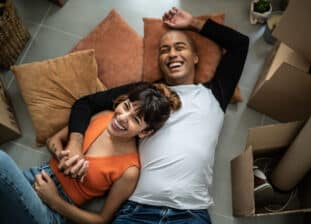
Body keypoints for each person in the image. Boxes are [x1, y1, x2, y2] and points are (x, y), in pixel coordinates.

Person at [62, 7, 249, 223]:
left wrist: (192, 23)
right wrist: (74, 144)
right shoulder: (145, 94)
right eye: (164, 50)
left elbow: (240, 44)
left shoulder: (214, 93)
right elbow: (85, 104)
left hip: (191, 213)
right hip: (138, 209)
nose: (172, 54)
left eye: (180, 47)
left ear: (196, 57)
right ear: (160, 62)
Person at [0, 83, 181, 224]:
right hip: (32, 177)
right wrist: (63, 155)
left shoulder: (130, 170)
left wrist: (54, 200)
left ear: (145, 132)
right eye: (126, 107)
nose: (122, 117)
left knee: (2, 162)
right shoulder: (102, 116)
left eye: (135, 119)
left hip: (50, 212)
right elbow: (53, 140)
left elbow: (102, 220)